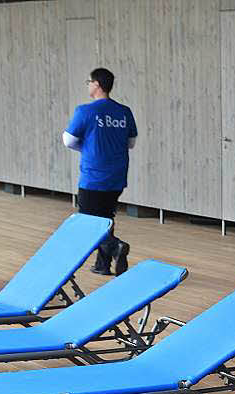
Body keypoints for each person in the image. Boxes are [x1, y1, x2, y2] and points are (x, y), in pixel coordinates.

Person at [62, 67, 137, 275]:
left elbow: (68, 140)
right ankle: (103, 265)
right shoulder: (124, 112)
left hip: (93, 176)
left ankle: (115, 246)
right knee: (105, 218)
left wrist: (86, 147)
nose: (88, 85)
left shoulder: (86, 111)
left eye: (89, 82)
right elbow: (130, 143)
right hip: (117, 176)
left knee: (87, 223)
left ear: (96, 85)